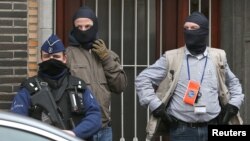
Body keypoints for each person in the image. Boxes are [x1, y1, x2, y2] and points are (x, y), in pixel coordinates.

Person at [135, 11, 244, 141]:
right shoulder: (171, 57)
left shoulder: (218, 57)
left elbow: (234, 83)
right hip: (182, 130)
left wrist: (233, 105)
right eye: (186, 28)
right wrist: (156, 106)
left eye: (194, 28)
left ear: (204, 31)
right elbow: (142, 79)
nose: (189, 32)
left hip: (214, 125)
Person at [10, 34, 101, 140]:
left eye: (56, 56)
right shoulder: (29, 88)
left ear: (64, 58)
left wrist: (74, 133)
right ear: (41, 58)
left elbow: (95, 117)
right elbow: (17, 120)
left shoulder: (78, 85)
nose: (51, 60)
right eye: (47, 56)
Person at [66, 6, 127, 141]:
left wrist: (106, 59)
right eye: (79, 27)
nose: (83, 31)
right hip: (79, 128)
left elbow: (120, 86)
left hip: (104, 128)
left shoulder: (107, 54)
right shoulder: (67, 55)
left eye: (87, 26)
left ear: (95, 26)